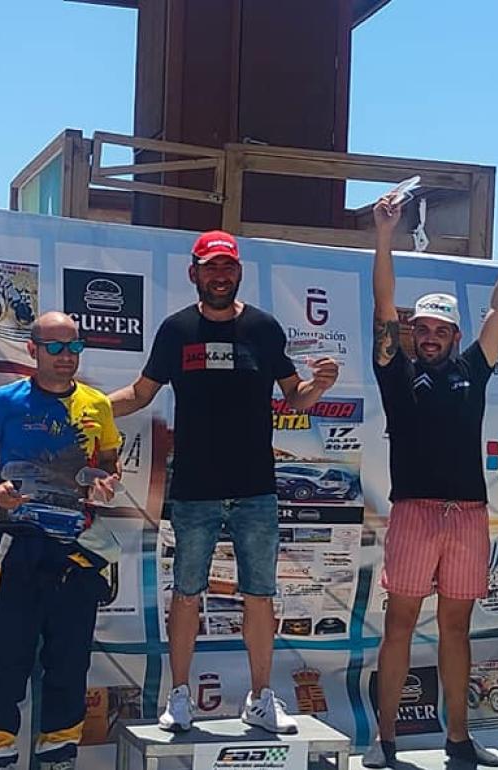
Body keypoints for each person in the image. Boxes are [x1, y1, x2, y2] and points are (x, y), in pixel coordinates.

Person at [108, 230, 339, 734]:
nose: (219, 275)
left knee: (260, 595)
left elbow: (295, 396)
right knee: (186, 593)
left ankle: (260, 698)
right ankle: (180, 696)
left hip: (256, 486)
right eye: (210, 267)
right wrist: (90, 407)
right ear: (193, 272)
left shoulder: (263, 327)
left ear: (238, 272)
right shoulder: (176, 329)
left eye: (227, 266)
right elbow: (142, 393)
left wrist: (319, 386)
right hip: (194, 487)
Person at [364, 187, 498, 768]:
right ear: (412, 333)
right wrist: (385, 235)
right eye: (423, 329)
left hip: (467, 515)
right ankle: (384, 740)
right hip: (415, 512)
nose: (430, 337)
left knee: (456, 629)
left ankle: (459, 738)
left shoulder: (474, 368)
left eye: (440, 330)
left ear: (455, 335)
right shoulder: (394, 370)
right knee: (398, 626)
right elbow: (383, 301)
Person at [0, 312, 122, 770]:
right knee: (3, 660)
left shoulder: (98, 404)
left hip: (77, 552)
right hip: (17, 547)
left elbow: (110, 463)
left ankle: (59, 756)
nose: (66, 357)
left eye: (74, 347)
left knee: (69, 664)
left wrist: (107, 482)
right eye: (55, 347)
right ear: (32, 350)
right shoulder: (2, 401)